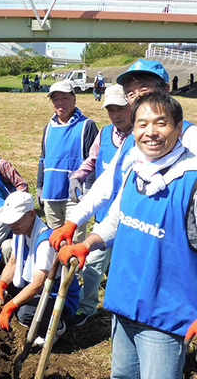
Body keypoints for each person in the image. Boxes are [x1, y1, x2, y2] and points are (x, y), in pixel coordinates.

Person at [57, 92, 197, 378]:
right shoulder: (136, 170)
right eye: (142, 124)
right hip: (123, 305)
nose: (151, 133)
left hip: (164, 317)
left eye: (161, 123)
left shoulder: (191, 182)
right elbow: (116, 220)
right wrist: (87, 243)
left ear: (179, 128)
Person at [49, 59, 197, 250]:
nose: (138, 98)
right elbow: (107, 184)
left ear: (166, 90)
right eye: (131, 93)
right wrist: (73, 221)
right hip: (131, 240)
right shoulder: (131, 140)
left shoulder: (189, 136)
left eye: (144, 90)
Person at [65, 84, 132, 327]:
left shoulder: (141, 137)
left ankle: (122, 310)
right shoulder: (104, 134)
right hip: (104, 214)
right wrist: (78, 176)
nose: (115, 115)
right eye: (110, 109)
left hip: (131, 215)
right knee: (93, 263)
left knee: (122, 265)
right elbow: (92, 160)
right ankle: (87, 306)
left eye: (120, 109)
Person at [0, 191, 79, 345]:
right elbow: (13, 262)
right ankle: (17, 305)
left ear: (31, 214)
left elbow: (38, 283)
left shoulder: (44, 241)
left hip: (55, 295)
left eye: (16, 220)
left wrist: (10, 306)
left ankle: (58, 326)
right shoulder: (19, 232)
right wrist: (1, 285)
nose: (12, 225)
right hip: (36, 287)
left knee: (25, 313)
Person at [36, 80, 98, 242]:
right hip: (51, 194)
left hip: (75, 196)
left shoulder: (86, 125)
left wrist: (89, 190)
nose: (59, 103)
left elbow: (93, 161)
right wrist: (39, 186)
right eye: (55, 99)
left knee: (74, 242)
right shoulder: (48, 128)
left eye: (64, 98)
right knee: (55, 241)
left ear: (74, 98)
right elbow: (43, 159)